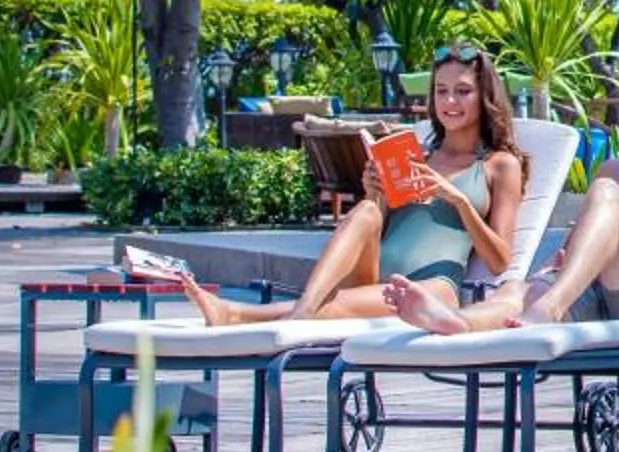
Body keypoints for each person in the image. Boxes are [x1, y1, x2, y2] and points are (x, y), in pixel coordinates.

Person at [383, 45, 619, 335]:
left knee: (607, 192)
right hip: (596, 294)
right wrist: (554, 265)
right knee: (516, 289)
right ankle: (456, 323)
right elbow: (584, 243)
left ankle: (548, 309)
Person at [178, 41, 525, 326]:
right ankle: (291, 312)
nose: (450, 101)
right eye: (441, 91)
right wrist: (375, 193)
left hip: (431, 288)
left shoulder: (499, 166)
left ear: (483, 97)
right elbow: (380, 227)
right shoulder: (415, 155)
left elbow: (499, 261)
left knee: (339, 304)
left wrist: (457, 199)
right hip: (374, 273)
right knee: (364, 212)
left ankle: (254, 314)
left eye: (463, 91)